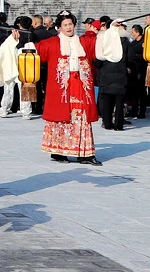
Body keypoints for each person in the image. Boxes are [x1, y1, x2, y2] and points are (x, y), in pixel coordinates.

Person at [35, 12, 101, 164]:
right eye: (65, 25)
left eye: (70, 24)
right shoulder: (52, 42)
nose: (68, 27)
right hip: (62, 88)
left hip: (80, 85)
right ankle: (59, 152)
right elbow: (34, 51)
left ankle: (85, 153)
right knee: (61, 118)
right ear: (60, 27)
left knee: (82, 118)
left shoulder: (82, 42)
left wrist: (110, 32)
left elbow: (98, 44)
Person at [94, 18, 129, 131]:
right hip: (121, 75)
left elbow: (98, 60)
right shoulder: (125, 41)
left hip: (106, 75)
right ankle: (119, 125)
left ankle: (107, 123)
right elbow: (130, 57)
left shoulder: (104, 40)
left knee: (107, 101)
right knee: (119, 102)